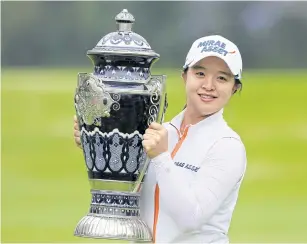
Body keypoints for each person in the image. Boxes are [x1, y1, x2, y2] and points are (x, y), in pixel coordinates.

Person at [73, 35, 247, 243]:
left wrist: (162, 157)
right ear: (184, 76)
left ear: (234, 87)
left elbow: (191, 218)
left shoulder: (227, 146)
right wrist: (98, 144)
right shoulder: (158, 133)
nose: (208, 85)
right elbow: (127, 196)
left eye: (222, 78)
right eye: (200, 73)